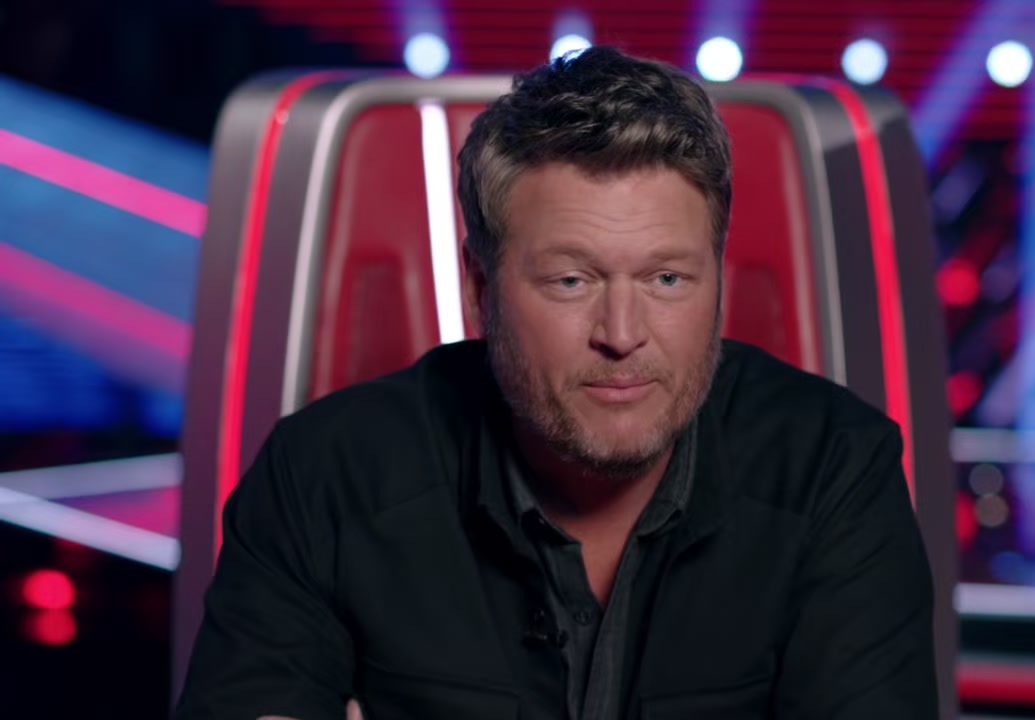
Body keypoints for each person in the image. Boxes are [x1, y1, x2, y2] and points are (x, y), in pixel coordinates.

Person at [174, 46, 937, 719]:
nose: (623, 333)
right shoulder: (323, 477)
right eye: (572, 281)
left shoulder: (834, 470)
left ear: (717, 281)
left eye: (667, 278)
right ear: (480, 289)